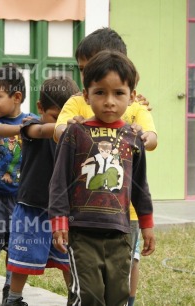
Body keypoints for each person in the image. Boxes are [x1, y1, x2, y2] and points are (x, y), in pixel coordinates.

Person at [53, 27, 158, 305]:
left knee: (117, 292)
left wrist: (147, 223)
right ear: (87, 93)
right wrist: (60, 219)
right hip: (82, 224)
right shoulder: (75, 128)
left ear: (131, 95)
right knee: (88, 293)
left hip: (122, 223)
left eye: (118, 93)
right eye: (99, 90)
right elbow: (59, 180)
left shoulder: (132, 131)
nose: (109, 101)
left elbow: (141, 185)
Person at [4, 76, 79, 306]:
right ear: (40, 108)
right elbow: (44, 131)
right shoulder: (31, 126)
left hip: (63, 210)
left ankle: (75, 296)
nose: (61, 123)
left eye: (66, 117)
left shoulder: (77, 132)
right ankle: (13, 299)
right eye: (57, 116)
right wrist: (65, 126)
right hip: (32, 207)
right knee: (23, 259)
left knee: (69, 259)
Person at [0, 64, 36, 306]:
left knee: (16, 241)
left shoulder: (32, 121)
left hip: (20, 197)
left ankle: (10, 285)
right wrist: (25, 130)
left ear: (17, 97)